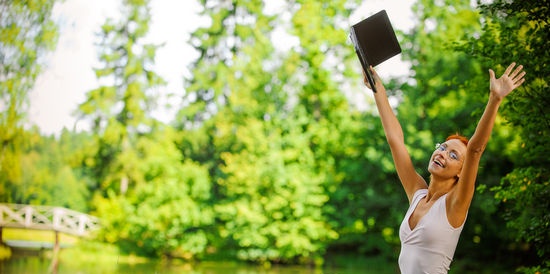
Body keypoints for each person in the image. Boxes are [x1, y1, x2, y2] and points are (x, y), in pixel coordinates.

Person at [363, 62, 526, 273]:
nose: (442, 153)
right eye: (442, 147)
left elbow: (475, 150)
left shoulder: (455, 203)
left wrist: (495, 100)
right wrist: (378, 88)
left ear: (461, 170)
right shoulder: (418, 194)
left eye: (453, 155)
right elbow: (396, 141)